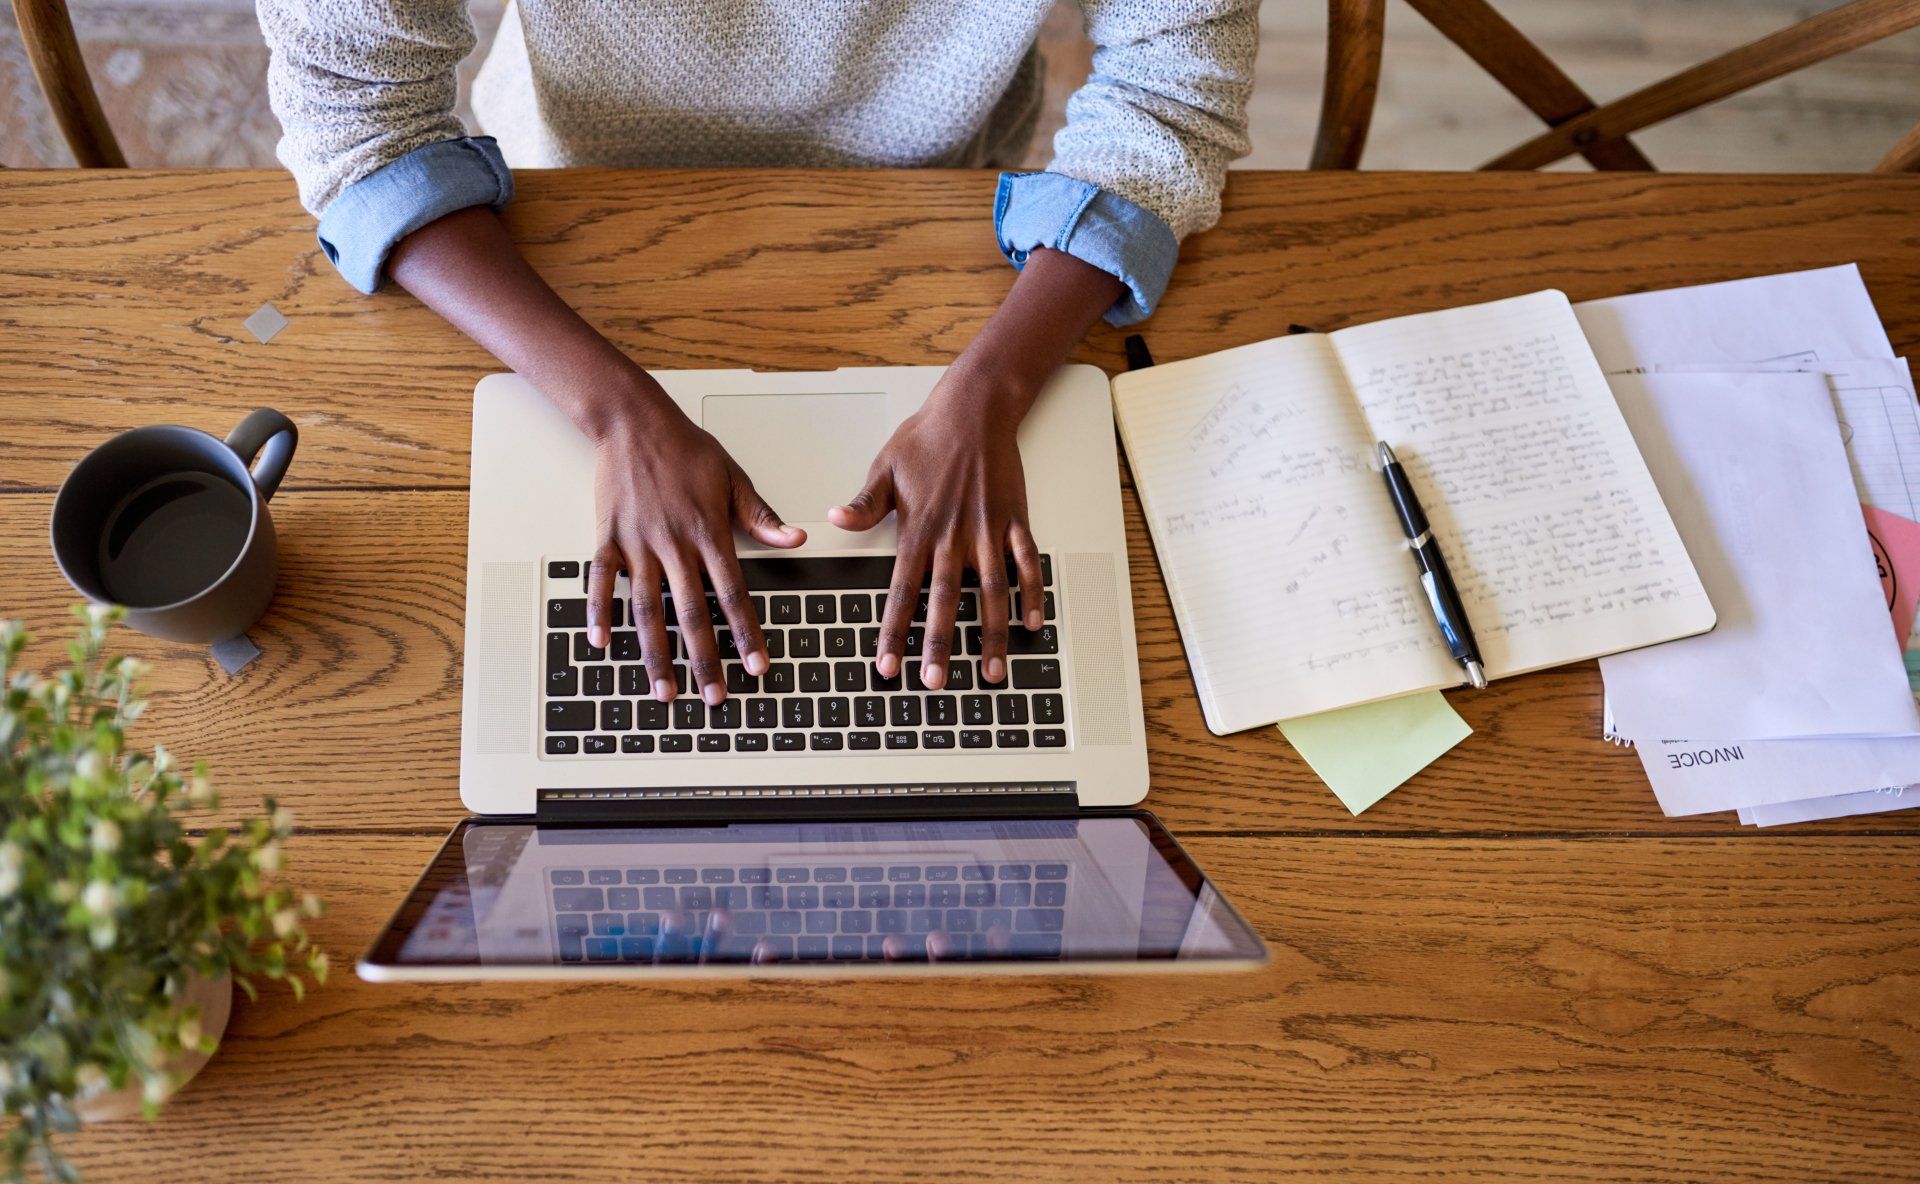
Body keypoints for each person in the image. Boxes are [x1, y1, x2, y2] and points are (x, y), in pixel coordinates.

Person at [260, 0, 1257, 708]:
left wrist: (996, 385)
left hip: (940, 209)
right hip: (572, 213)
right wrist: (614, 410)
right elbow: (360, 121)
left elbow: (1171, 89)